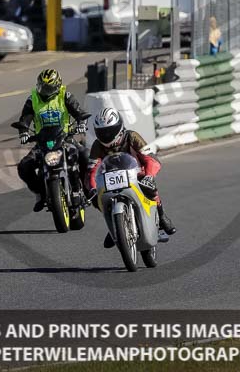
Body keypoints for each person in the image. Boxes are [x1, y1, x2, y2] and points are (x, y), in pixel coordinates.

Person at [87, 107, 176, 248]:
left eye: (109, 131)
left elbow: (151, 159)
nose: (106, 135)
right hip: (109, 179)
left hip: (136, 174)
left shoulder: (132, 136)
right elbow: (92, 171)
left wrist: (149, 175)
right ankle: (114, 225)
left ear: (119, 127)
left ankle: (162, 216)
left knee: (150, 187)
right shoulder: (97, 145)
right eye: (102, 132)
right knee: (95, 198)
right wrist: (92, 188)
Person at [16, 69, 90, 211]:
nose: (43, 90)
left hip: (65, 138)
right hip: (42, 142)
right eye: (41, 86)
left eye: (47, 88)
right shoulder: (33, 99)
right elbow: (25, 119)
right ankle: (40, 193)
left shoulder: (65, 95)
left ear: (56, 86)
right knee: (24, 166)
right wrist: (23, 131)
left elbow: (79, 112)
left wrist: (81, 123)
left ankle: (86, 188)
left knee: (85, 155)